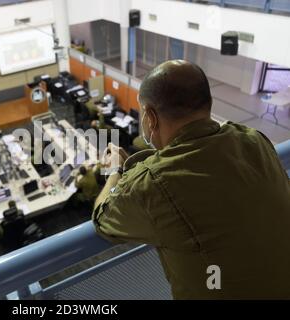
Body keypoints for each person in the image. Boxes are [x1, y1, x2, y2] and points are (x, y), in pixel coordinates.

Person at [92, 60, 290, 299]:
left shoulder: (152, 183)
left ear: (151, 118)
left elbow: (103, 218)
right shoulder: (254, 139)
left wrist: (115, 171)